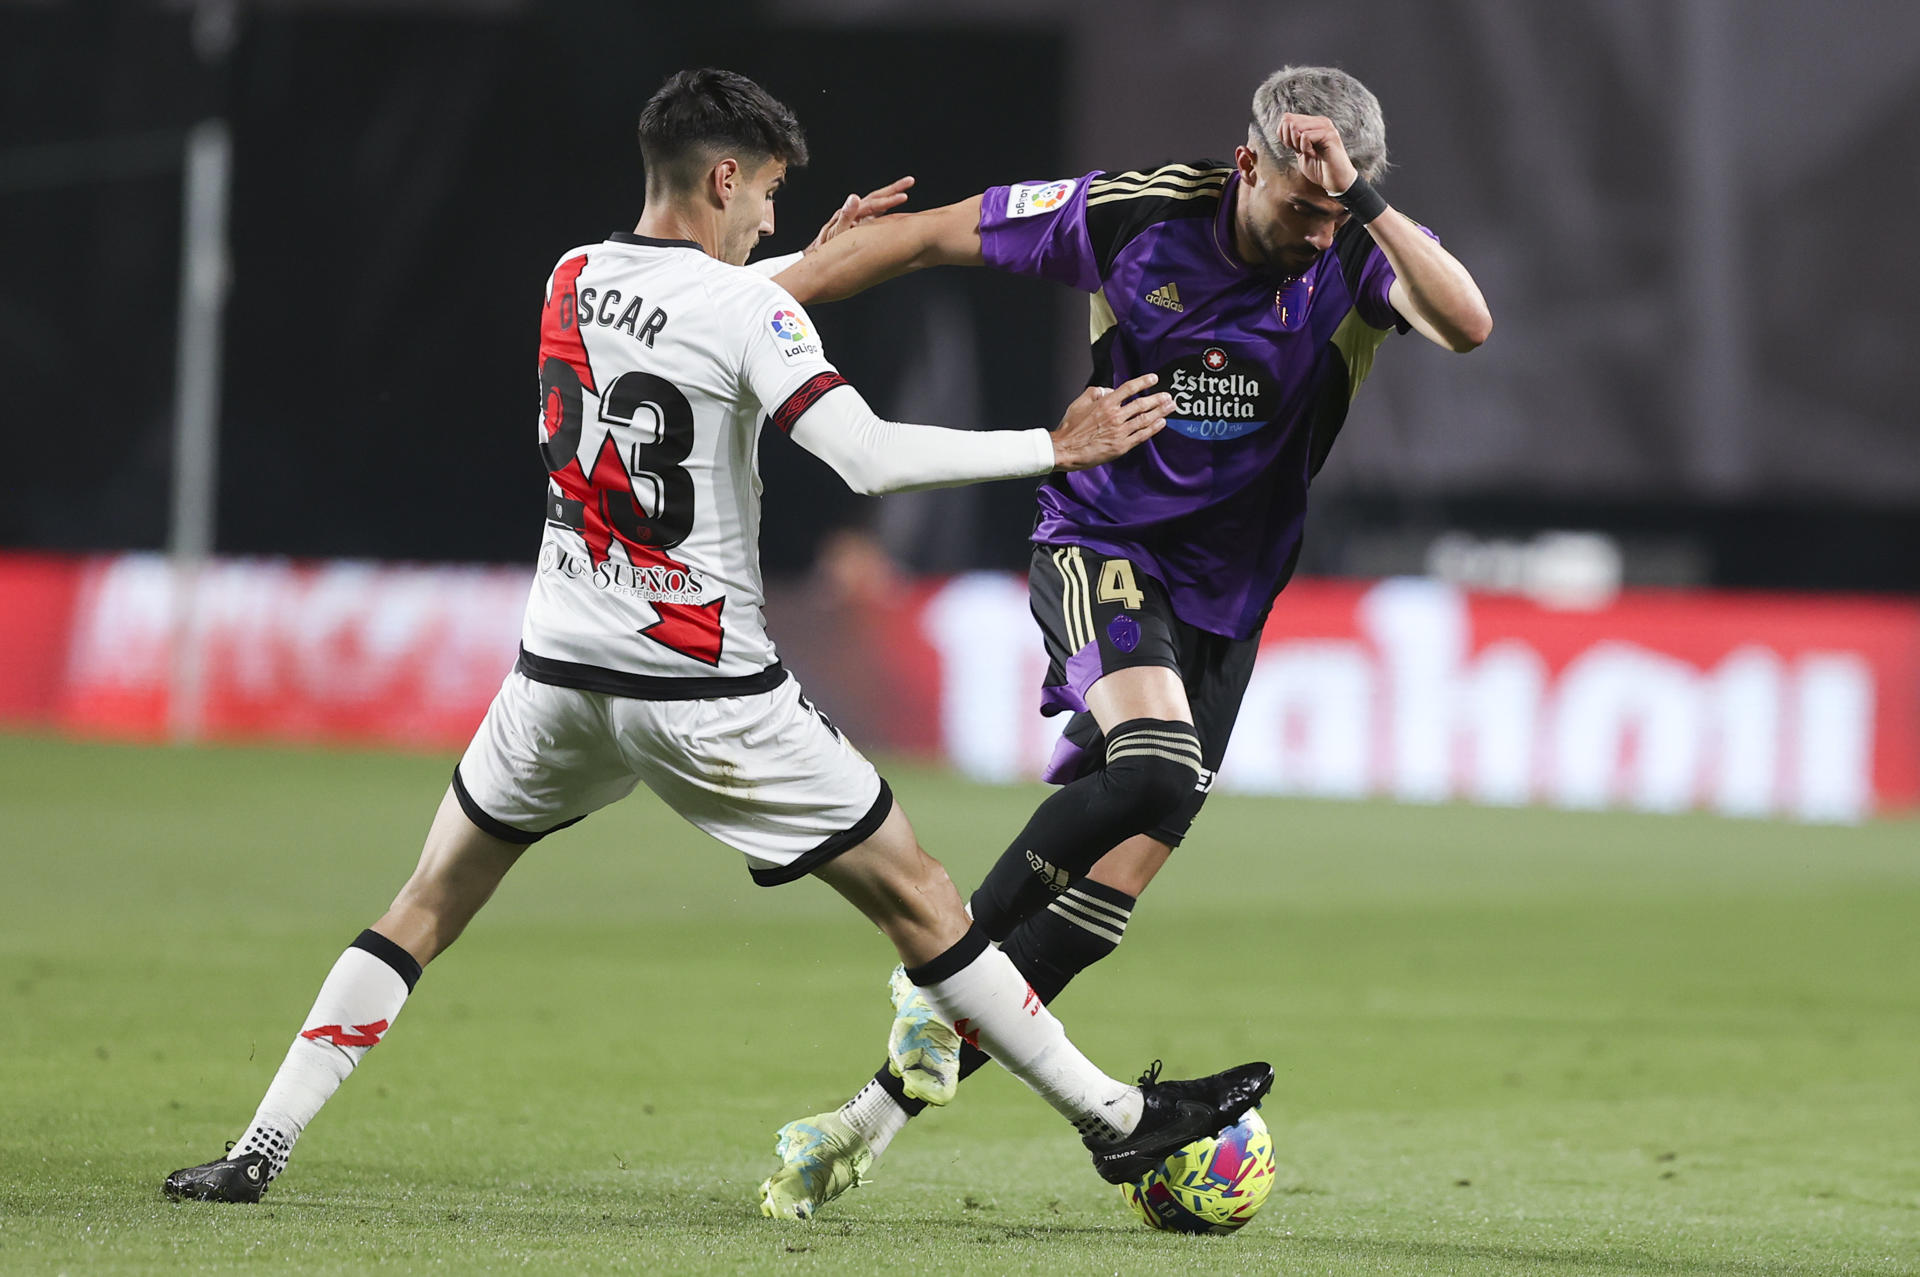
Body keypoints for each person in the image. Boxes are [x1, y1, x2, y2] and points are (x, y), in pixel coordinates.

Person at [160, 68, 1272, 1216]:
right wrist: (1053, 443)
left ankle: (258, 1144)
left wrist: (794, 280)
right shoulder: (752, 308)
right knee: (928, 901)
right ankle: (1119, 1120)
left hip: (556, 674)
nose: (777, 221)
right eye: (771, 195)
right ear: (725, 175)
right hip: (707, 690)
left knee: (426, 899)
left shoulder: (573, 274)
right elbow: (869, 457)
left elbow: (695, 323)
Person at [760, 64, 1493, 1216]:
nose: (1314, 234)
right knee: (1154, 765)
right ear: (1247, 164)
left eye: (1333, 210)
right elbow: (930, 239)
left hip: (1226, 610)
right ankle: (927, 977)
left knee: (1095, 910)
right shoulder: (1135, 213)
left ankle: (863, 1122)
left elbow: (1469, 323)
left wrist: (1364, 200)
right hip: (1100, 543)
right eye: (1301, 207)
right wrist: (762, 292)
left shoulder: (1355, 245)